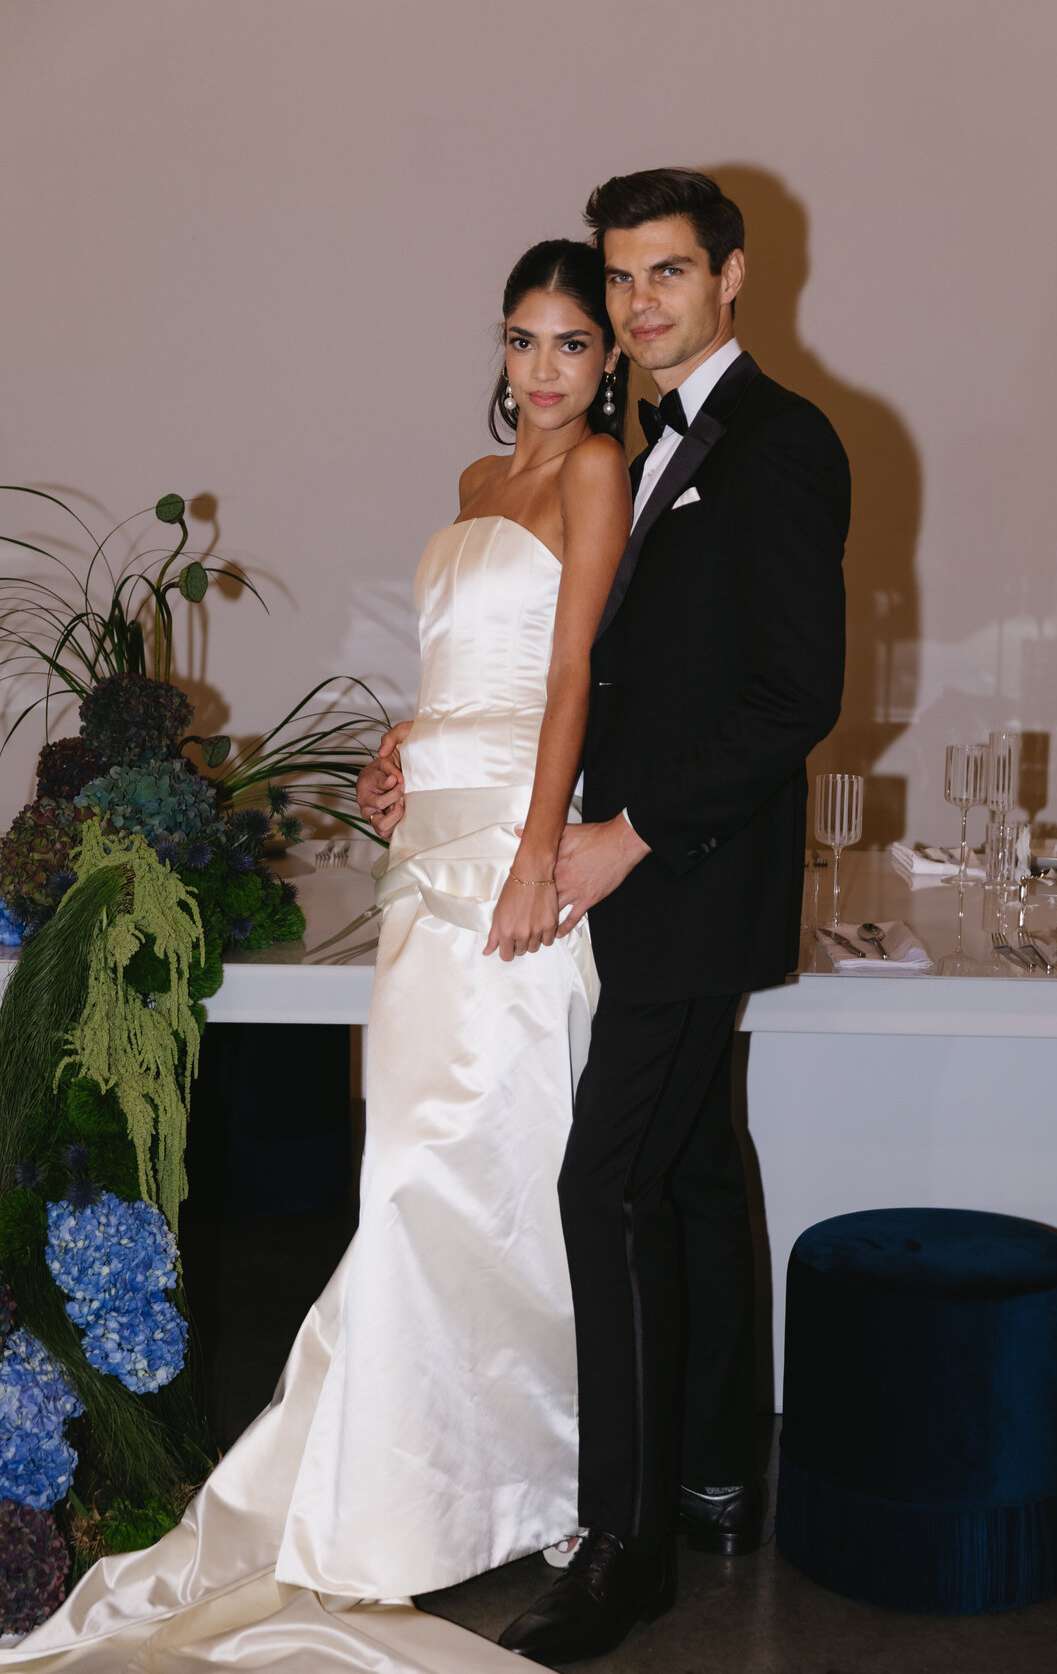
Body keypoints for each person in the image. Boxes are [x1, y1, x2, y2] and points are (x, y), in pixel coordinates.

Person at [0, 239, 629, 1671]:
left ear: (609, 364)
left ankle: (526, 1486)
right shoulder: (476, 488)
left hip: (517, 858)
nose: (542, 370)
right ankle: (431, 1482)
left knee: (475, 1175)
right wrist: (399, 754)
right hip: (429, 856)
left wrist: (540, 852)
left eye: (571, 346)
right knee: (401, 1166)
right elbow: (462, 670)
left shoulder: (598, 473)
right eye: (523, 341)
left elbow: (578, 674)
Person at [498, 169, 851, 1664]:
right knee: (697, 1173)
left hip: (687, 879)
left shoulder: (778, 442)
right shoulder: (644, 445)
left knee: (608, 1188)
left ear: (733, 276)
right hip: (646, 881)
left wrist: (626, 836)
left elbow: (793, 696)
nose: (638, 303)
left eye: (666, 275)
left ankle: (624, 1549)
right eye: (623, 279)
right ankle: (716, 1481)